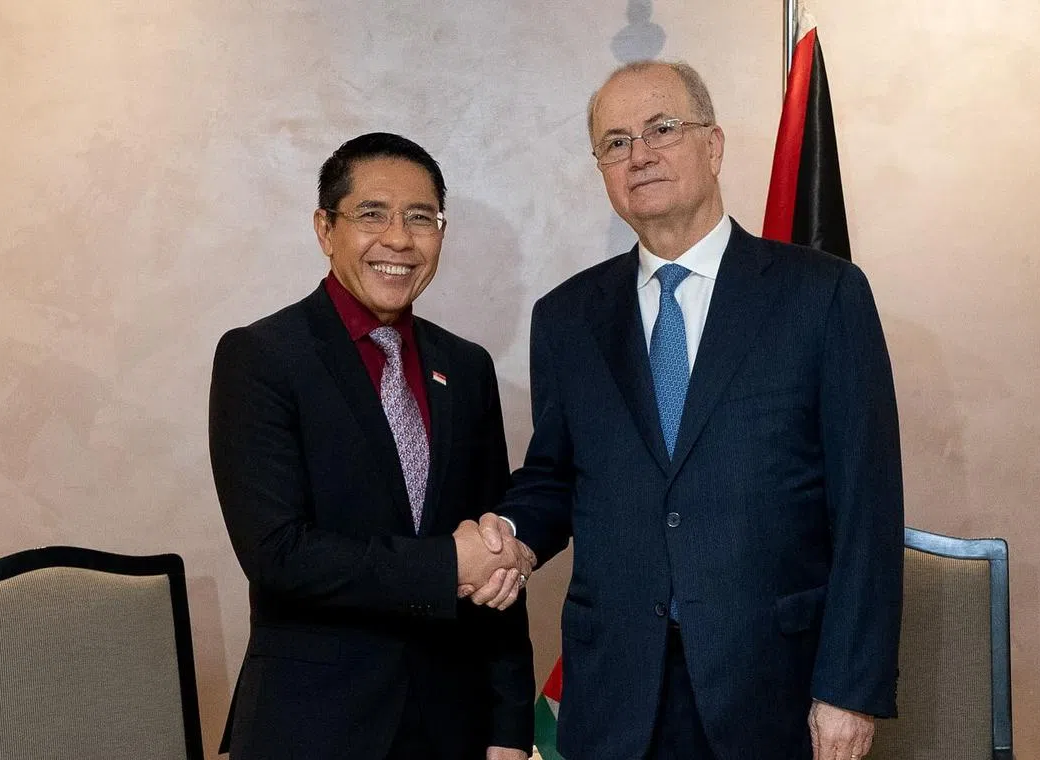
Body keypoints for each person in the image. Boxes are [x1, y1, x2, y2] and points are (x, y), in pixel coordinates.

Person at [470, 61, 904, 760]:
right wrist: (515, 537)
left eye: (661, 129)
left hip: (774, 688)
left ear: (714, 144)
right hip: (615, 691)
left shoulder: (821, 296)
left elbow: (867, 509)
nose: (638, 154)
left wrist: (850, 690)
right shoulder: (567, 317)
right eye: (615, 143)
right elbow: (554, 476)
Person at [209, 132, 535, 760]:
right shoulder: (262, 358)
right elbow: (277, 552)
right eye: (371, 214)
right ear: (324, 228)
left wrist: (510, 727)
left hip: (454, 724)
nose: (399, 239)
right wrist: (448, 565)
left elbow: (493, 542)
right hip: (313, 725)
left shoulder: (465, 368)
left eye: (422, 218)